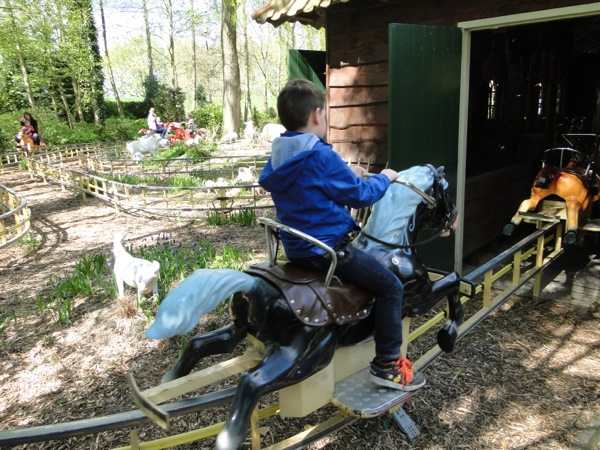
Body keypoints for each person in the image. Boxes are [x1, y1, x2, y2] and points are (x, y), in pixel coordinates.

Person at [258, 79, 426, 392]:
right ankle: (387, 363)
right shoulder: (320, 156)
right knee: (391, 286)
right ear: (318, 115)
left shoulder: (281, 155)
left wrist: (350, 175)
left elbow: (312, 188)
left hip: (298, 247)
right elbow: (361, 196)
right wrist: (386, 178)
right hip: (327, 248)